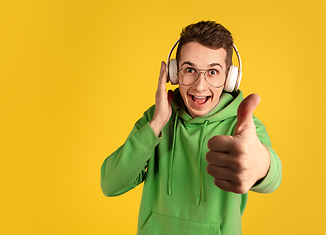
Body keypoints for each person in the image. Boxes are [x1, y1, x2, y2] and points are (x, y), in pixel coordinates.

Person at [101, 21, 282, 235]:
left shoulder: (244, 126)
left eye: (213, 72)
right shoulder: (155, 119)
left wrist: (260, 164)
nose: (200, 86)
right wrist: (157, 123)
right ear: (174, 74)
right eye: (190, 70)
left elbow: (273, 177)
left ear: (229, 78)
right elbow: (110, 184)